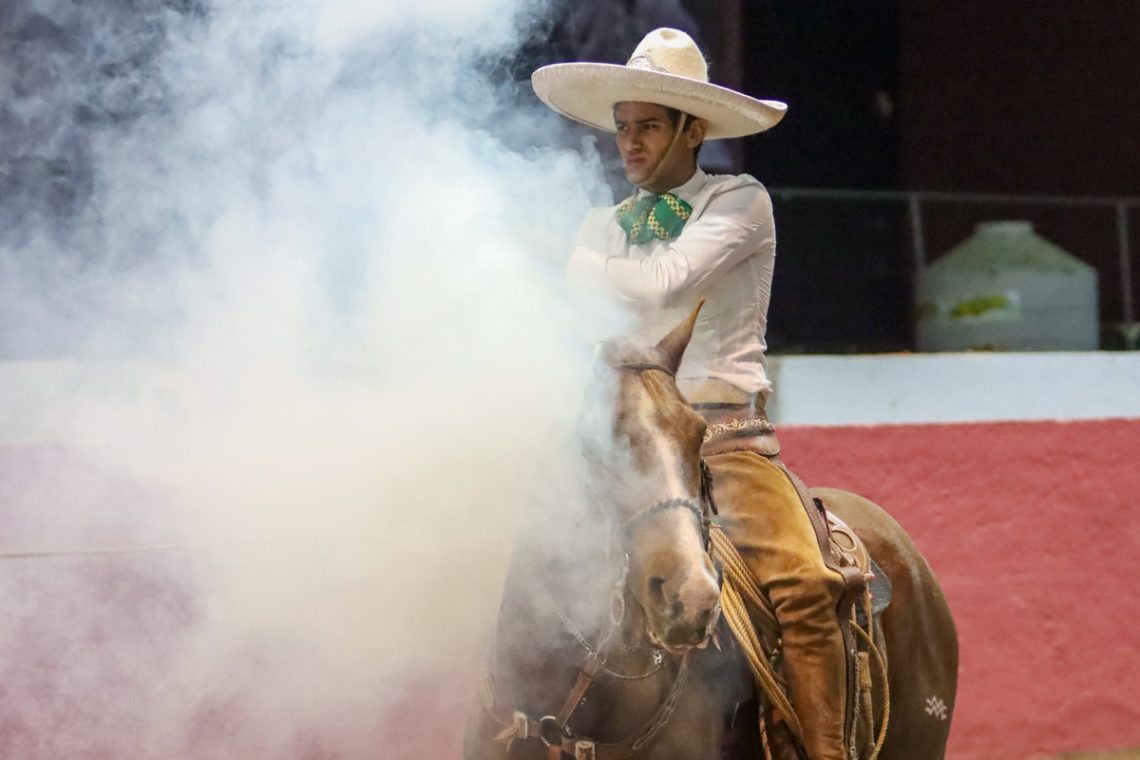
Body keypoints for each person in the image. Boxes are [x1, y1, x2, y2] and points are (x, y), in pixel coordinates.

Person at [532, 28, 853, 760]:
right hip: (627, 445)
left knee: (805, 585)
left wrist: (561, 258)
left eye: (648, 126)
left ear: (693, 129)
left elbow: (661, 283)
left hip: (726, 440)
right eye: (622, 126)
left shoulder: (740, 201)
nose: (630, 141)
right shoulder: (603, 226)